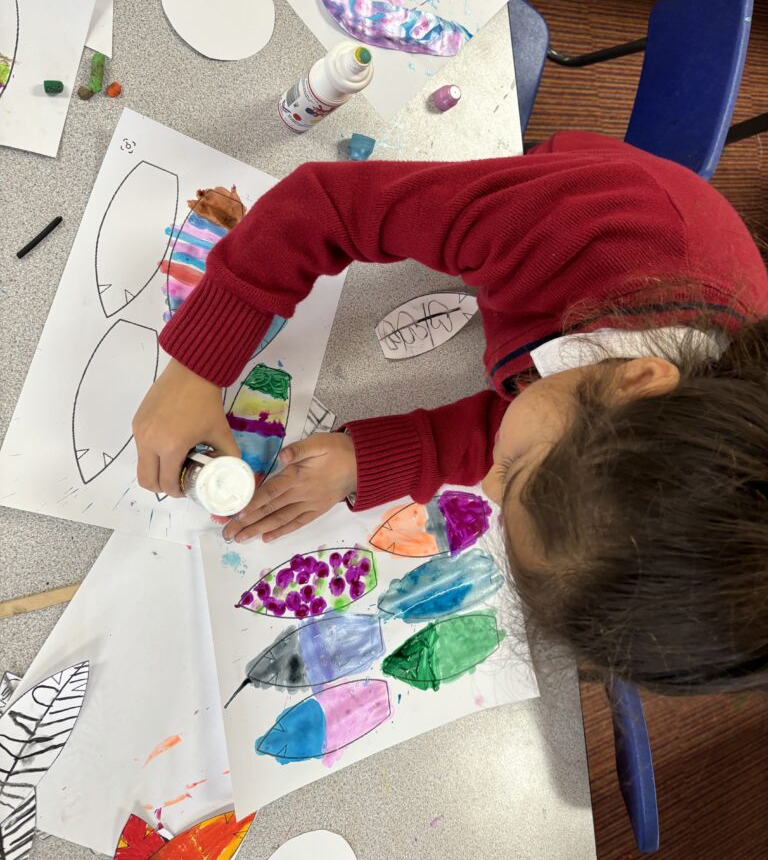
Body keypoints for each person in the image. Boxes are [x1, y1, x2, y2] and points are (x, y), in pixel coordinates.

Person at [132, 131, 768, 694]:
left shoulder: (614, 417)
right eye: (512, 472)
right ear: (636, 383)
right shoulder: (577, 229)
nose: (485, 484)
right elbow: (326, 205)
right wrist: (197, 368)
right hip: (561, 195)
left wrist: (366, 461)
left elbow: (521, 421)